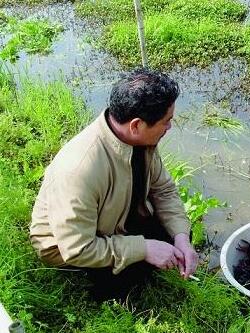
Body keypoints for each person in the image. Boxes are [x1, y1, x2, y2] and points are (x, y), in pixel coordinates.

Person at [30, 68, 198, 299]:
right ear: (136, 125)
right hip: (73, 248)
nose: (170, 128)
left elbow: (163, 190)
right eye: (166, 122)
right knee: (128, 280)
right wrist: (144, 249)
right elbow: (78, 249)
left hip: (114, 220)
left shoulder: (141, 140)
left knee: (179, 235)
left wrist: (181, 237)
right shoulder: (79, 170)